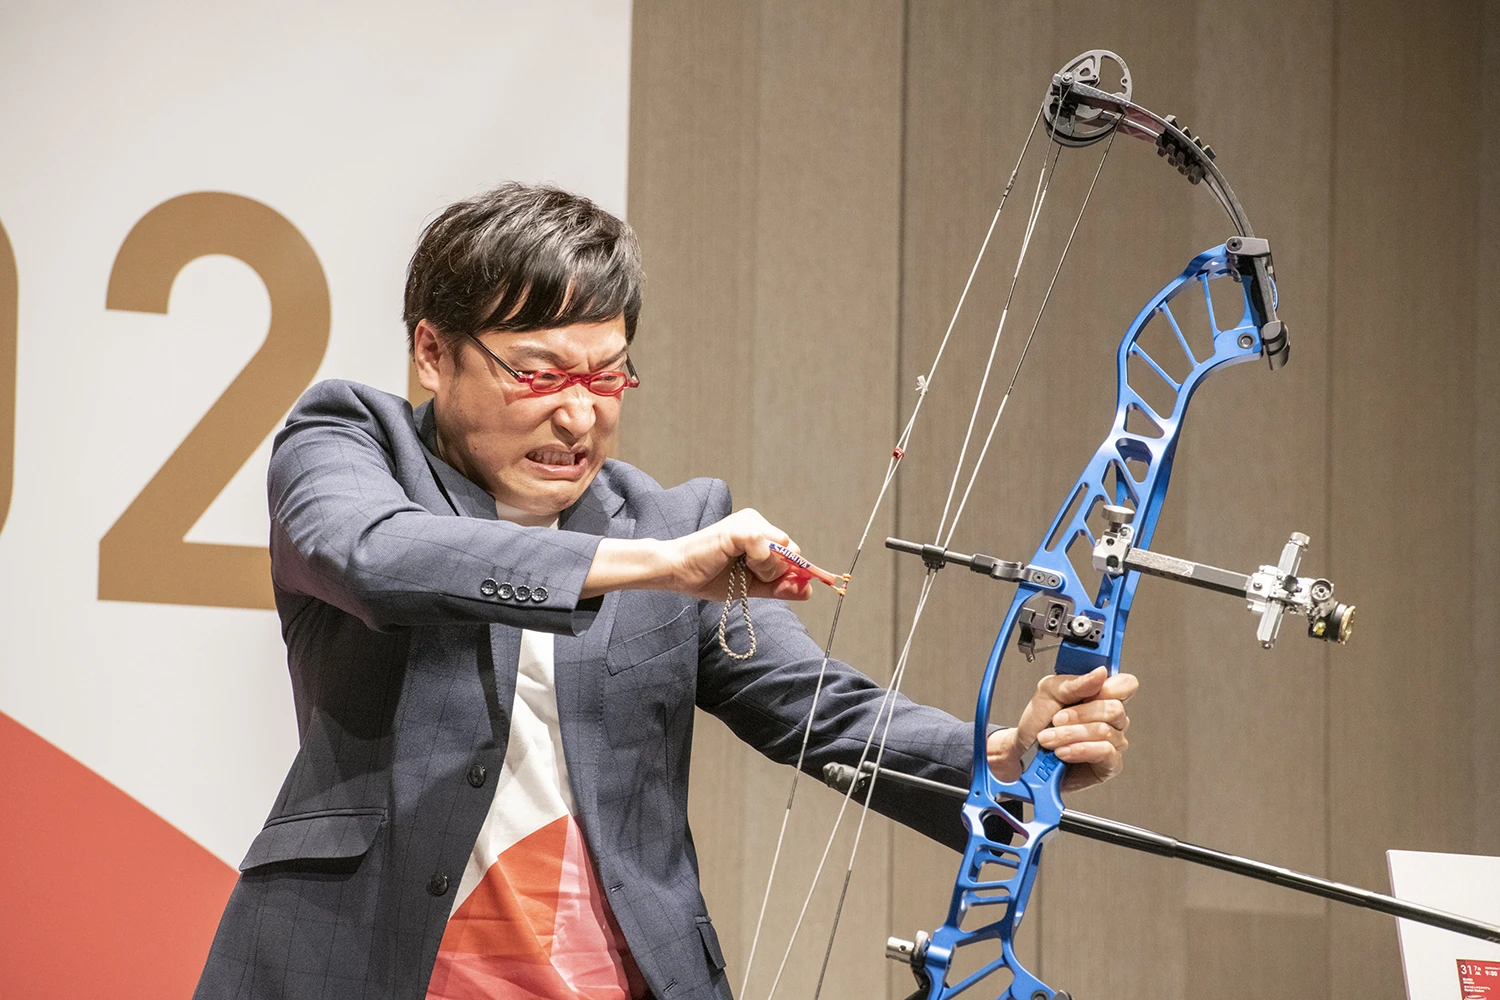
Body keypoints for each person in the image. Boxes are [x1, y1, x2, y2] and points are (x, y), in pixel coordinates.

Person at [193, 183, 1136, 1000]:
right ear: (433, 353)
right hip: (358, 964)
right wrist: (659, 566)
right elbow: (373, 557)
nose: (579, 414)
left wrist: (1011, 755)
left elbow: (824, 715)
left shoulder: (668, 519)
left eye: (607, 376)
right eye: (540, 373)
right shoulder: (352, 444)